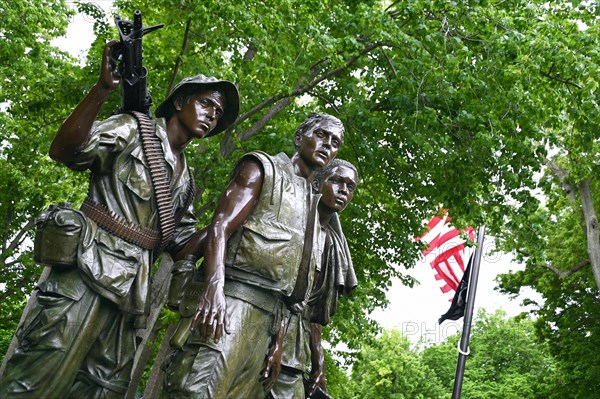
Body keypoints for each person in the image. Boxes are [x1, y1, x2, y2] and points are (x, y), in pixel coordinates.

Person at [0, 41, 239, 398]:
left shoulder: (186, 180)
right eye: (205, 103)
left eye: (218, 113)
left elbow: (181, 245)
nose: (211, 115)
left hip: (131, 297)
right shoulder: (132, 129)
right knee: (37, 376)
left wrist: (230, 219)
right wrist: (102, 91)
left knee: (103, 390)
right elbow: (65, 151)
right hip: (86, 273)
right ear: (179, 102)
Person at [162, 113, 345, 398]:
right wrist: (213, 288)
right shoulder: (262, 169)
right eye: (321, 135)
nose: (327, 145)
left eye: (335, 143)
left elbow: (293, 289)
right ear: (300, 138)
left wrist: (278, 342)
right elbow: (219, 227)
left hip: (268, 327)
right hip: (231, 307)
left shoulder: (313, 204)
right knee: (197, 390)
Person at [269, 159, 358, 399]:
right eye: (337, 181)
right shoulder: (292, 222)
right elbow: (278, 289)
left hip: (296, 352)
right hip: (264, 333)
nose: (343, 191)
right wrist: (275, 345)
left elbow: (313, 311)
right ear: (317, 183)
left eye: (350, 187)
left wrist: (319, 365)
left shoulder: (332, 243)